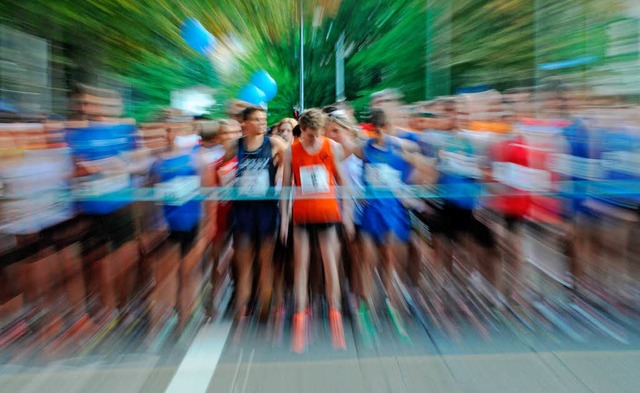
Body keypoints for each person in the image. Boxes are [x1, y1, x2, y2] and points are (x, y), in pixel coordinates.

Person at [280, 108, 353, 352]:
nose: (313, 139)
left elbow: (345, 183)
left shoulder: (331, 147)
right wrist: (283, 220)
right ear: (301, 130)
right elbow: (285, 189)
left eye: (317, 134)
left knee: (330, 263)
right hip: (301, 215)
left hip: (327, 213)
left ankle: (335, 312)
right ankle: (300, 314)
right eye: (309, 135)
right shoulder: (292, 151)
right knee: (301, 266)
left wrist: (349, 216)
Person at [222, 106, 287, 321]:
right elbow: (221, 168)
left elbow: (293, 161)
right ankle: (242, 308)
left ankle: (265, 312)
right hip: (242, 212)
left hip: (266, 211)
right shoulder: (235, 146)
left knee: (265, 262)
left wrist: (280, 172)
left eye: (264, 119)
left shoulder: (274, 143)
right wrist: (227, 179)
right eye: (257, 120)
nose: (261, 123)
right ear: (245, 123)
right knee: (244, 264)